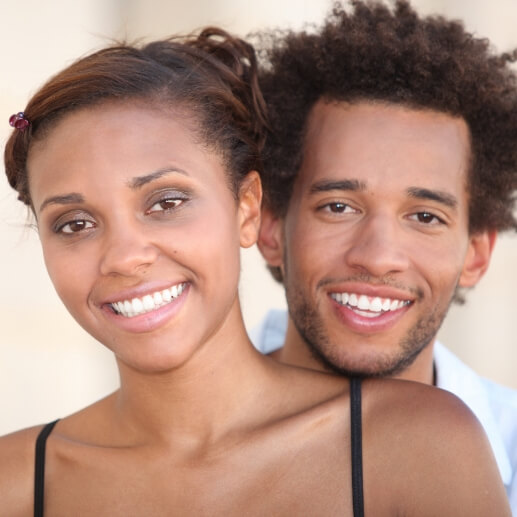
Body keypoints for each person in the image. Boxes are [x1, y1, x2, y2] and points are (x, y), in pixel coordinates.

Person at [0, 27, 510, 517]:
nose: (124, 256)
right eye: (75, 223)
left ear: (247, 208)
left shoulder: (423, 442)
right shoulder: (15, 482)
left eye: (166, 201)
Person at [252, 0, 517, 511]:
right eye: (338, 206)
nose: (377, 257)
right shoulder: (176, 442)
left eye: (425, 217)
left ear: (477, 254)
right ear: (269, 226)